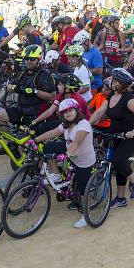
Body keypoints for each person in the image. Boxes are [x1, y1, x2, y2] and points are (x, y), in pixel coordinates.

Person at [32, 98, 97, 228]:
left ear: (77, 110)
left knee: (84, 190)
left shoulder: (83, 124)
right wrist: (35, 139)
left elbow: (77, 142)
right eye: (64, 112)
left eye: (70, 110)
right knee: (48, 148)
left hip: (84, 161)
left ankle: (86, 215)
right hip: (71, 153)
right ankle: (56, 175)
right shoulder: (66, 125)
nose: (68, 113)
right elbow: (53, 132)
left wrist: (66, 155)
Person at [89, 68, 134, 207]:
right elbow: (99, 112)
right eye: (113, 80)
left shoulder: (128, 98)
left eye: (116, 81)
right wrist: (87, 125)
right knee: (120, 165)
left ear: (123, 84)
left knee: (118, 161)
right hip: (115, 135)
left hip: (130, 136)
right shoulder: (110, 97)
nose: (112, 82)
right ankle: (120, 199)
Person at [0, 45, 56, 127]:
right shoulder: (23, 73)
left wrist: (34, 91)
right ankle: (12, 135)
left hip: (36, 114)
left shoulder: (44, 75)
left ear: (39, 59)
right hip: (21, 110)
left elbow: (53, 96)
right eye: (26, 58)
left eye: (32, 59)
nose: (28, 61)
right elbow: (9, 87)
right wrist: (15, 88)